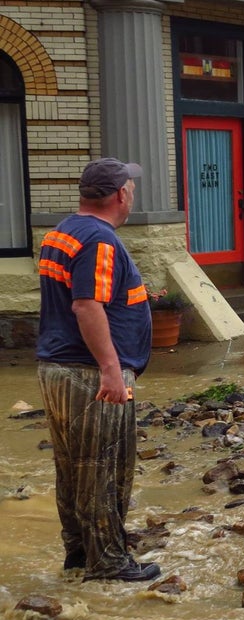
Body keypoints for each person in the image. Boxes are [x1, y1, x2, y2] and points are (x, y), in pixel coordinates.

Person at [36, 158, 162, 582]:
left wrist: (138, 299)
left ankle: (78, 554)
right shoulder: (99, 240)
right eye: (131, 187)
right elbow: (86, 305)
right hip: (91, 374)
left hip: (58, 368)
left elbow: (88, 297)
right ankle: (108, 562)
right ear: (120, 196)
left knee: (73, 467)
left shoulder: (63, 231)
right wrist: (111, 369)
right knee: (102, 468)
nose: (133, 194)